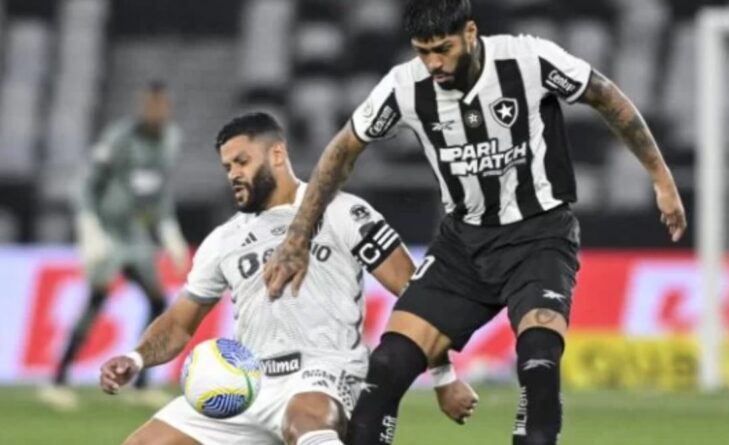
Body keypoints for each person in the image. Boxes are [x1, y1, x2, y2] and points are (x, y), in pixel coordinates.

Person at [264, 1, 688, 444]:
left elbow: (606, 96)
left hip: (538, 236)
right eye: (422, 52)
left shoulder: (528, 59)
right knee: (386, 367)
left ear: (470, 33)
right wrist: (298, 236)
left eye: (442, 50)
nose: (433, 64)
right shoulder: (404, 87)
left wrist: (661, 178)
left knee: (538, 361)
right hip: (462, 247)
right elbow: (342, 150)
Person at [98, 112, 477, 445]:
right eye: (228, 167)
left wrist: (443, 376)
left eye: (242, 162)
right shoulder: (223, 240)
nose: (234, 175)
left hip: (324, 372)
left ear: (277, 154)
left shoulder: (344, 211)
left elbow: (414, 293)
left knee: (306, 421)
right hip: (245, 383)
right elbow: (180, 324)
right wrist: (135, 358)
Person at [38, 81, 189, 410]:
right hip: (108, 230)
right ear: (142, 106)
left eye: (162, 106)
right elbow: (86, 184)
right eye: (151, 106)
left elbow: (160, 193)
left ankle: (141, 383)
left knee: (157, 300)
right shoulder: (119, 138)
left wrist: (169, 232)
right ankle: (58, 381)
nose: (156, 113)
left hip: (136, 234)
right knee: (98, 298)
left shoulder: (171, 140)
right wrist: (90, 228)